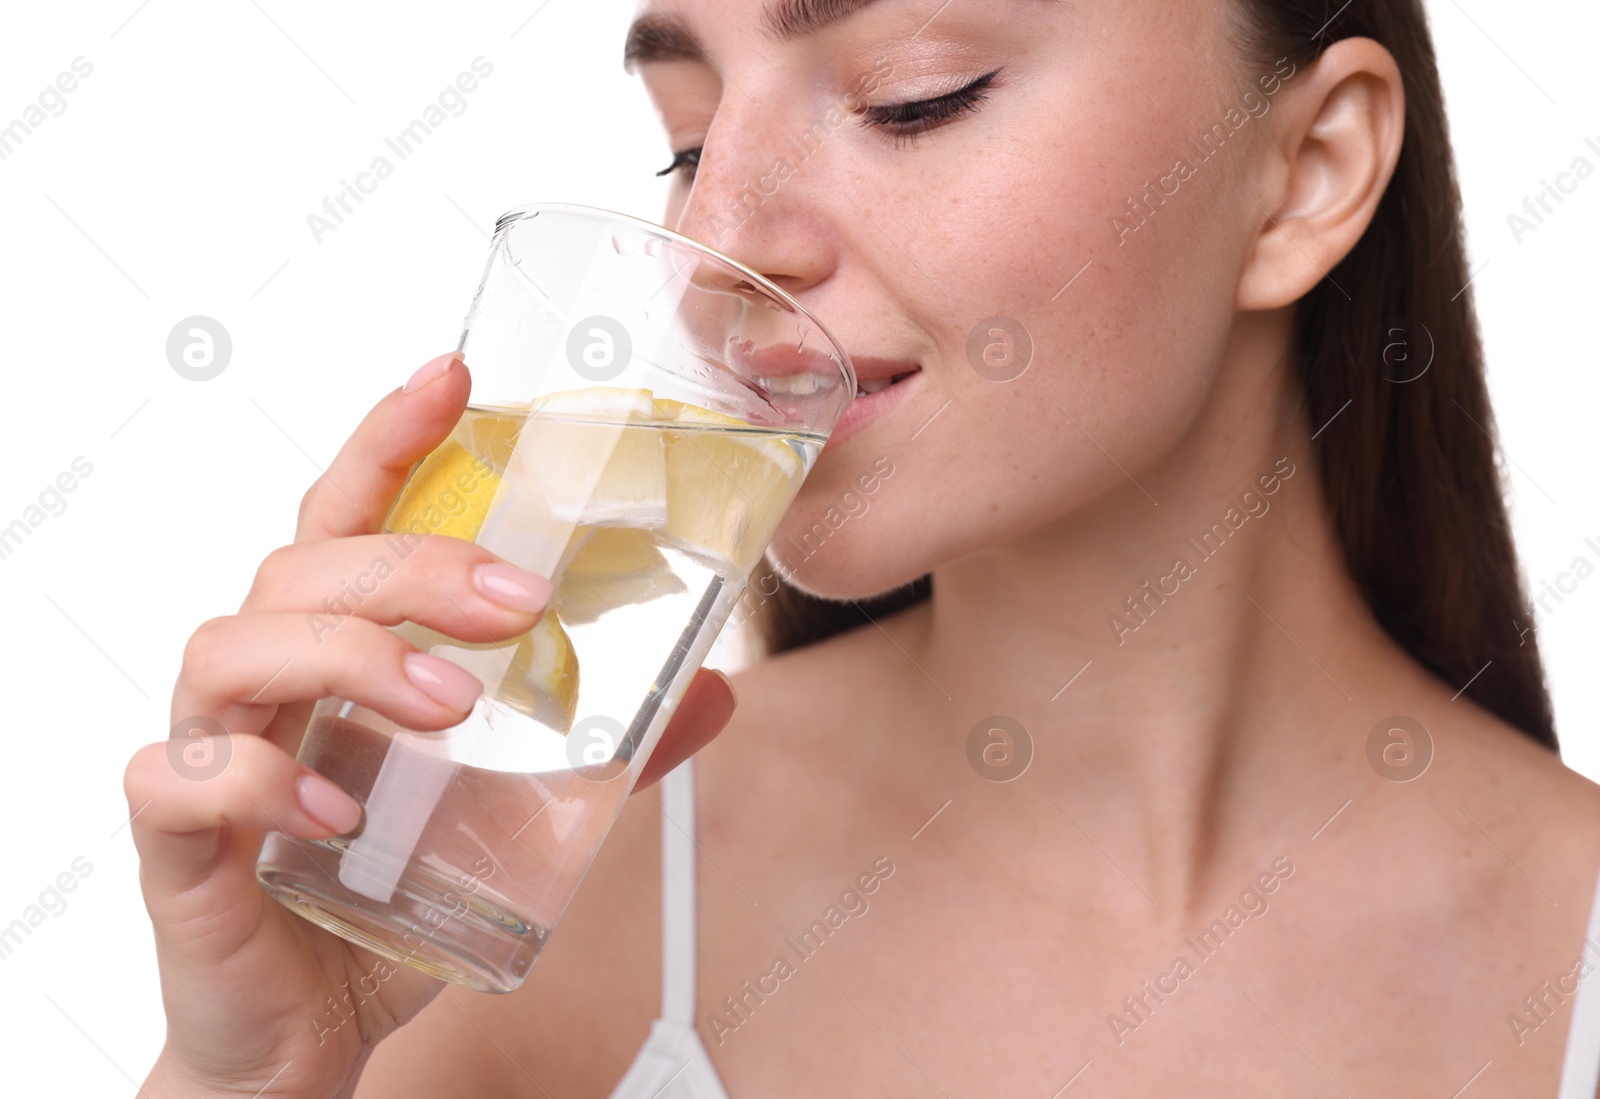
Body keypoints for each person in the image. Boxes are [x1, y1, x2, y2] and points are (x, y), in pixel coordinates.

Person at [126, 0, 1600, 1095]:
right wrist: (251, 1076)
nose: (726, 232)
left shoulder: (1570, 945)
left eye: (913, 98)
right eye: (690, 140)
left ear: (1308, 171)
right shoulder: (535, 877)